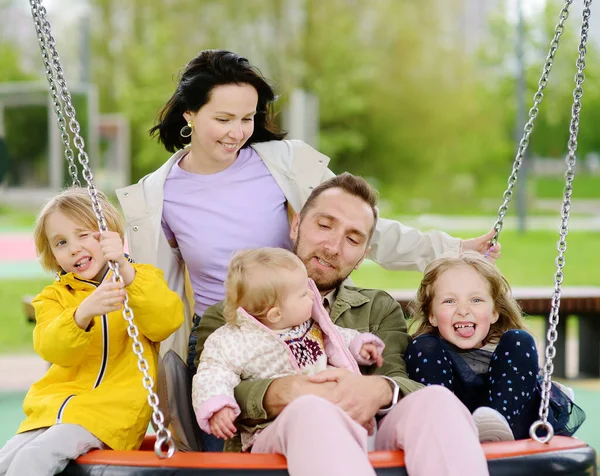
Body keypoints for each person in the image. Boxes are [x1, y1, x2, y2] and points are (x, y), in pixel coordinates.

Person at [116, 48, 501, 373]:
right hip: (221, 334)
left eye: (247, 118)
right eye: (223, 119)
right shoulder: (156, 196)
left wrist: (454, 249)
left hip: (297, 323)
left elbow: (360, 226)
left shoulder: (283, 165)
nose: (237, 132)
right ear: (189, 114)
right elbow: (151, 285)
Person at [195, 174, 490, 476]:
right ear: (296, 225)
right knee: (312, 411)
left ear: (363, 255)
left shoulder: (377, 308)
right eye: (324, 225)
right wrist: (286, 391)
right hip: (273, 444)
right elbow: (210, 385)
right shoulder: (236, 313)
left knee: (437, 400)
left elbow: (400, 377)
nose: (333, 247)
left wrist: (378, 389)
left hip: (368, 434)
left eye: (353, 239)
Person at [0, 188, 184, 476]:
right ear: (52, 255)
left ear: (110, 236)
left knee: (34, 459)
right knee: (6, 460)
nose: (74, 248)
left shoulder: (140, 279)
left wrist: (124, 269)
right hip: (51, 412)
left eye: (84, 234)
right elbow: (52, 348)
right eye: (61, 242)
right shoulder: (53, 298)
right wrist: (81, 315)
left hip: (110, 413)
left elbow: (165, 321)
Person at [193, 247, 385, 443]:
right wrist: (218, 405)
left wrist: (358, 345)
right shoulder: (235, 340)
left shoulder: (309, 325)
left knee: (353, 433)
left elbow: (335, 338)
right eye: (303, 293)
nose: (312, 294)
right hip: (275, 427)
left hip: (331, 411)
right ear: (275, 314)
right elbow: (213, 373)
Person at [405, 253, 585, 443]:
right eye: (449, 301)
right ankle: (444, 427)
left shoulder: (510, 348)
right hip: (451, 426)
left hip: (514, 423)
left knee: (519, 339)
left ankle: (499, 422)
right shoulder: (427, 351)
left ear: (494, 313)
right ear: (431, 315)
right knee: (423, 345)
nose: (463, 310)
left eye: (476, 300)